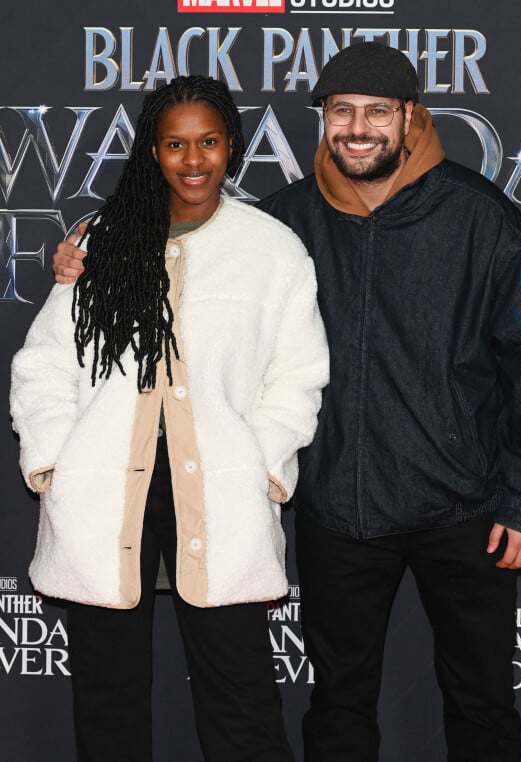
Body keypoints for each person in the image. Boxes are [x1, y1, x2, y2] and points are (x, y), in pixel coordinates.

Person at [51, 44, 521, 762]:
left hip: (463, 508)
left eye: (376, 112)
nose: (358, 127)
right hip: (339, 514)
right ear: (323, 121)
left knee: (482, 701)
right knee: (338, 705)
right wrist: (83, 254)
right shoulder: (285, 219)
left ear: (409, 118)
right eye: (341, 112)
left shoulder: (478, 217)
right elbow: (187, 262)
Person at [12, 74, 328, 762]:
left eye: (208, 142)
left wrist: (262, 467)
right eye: (176, 143)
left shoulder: (272, 251)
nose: (193, 159)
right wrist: (53, 463)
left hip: (219, 497)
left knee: (241, 701)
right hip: (104, 498)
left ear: (231, 147)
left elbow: (298, 378)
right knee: (107, 704)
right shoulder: (101, 238)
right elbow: (44, 365)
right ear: (153, 152)